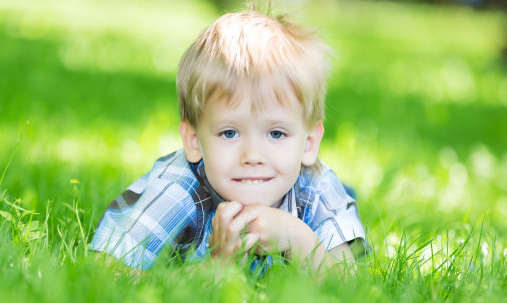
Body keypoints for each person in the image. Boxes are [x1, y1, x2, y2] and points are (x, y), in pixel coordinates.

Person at [90, 7, 366, 273]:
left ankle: (347, 207)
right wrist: (211, 270)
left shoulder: (315, 188)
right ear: (194, 141)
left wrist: (297, 238)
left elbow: (350, 285)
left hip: (311, 196)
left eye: (276, 133)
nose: (253, 156)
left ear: (309, 144)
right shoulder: (179, 188)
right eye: (230, 133)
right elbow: (104, 272)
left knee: (343, 200)